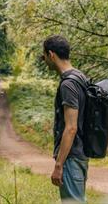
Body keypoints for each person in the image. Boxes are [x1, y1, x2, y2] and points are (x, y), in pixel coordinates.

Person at [41, 35, 88, 203]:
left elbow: (71, 127)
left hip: (71, 156)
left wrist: (59, 164)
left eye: (44, 56)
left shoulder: (68, 84)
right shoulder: (80, 77)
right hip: (80, 153)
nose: (44, 60)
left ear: (51, 54)